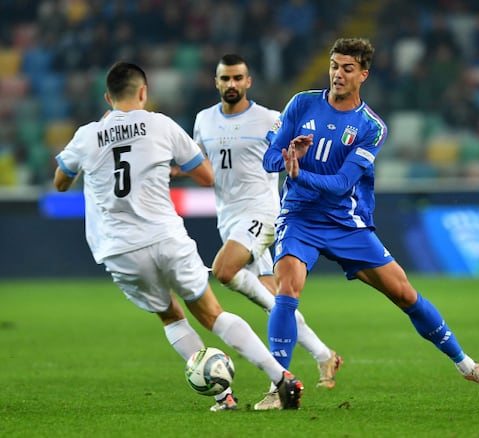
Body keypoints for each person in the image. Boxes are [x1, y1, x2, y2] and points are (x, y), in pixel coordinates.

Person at [262, 37, 479, 410]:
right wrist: (287, 156)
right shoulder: (301, 103)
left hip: (346, 223)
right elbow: (268, 160)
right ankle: (278, 388)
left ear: (363, 74)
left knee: (405, 294)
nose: (338, 74)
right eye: (334, 66)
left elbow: (341, 184)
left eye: (347, 68)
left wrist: (298, 173)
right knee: (287, 290)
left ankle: (468, 366)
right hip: (299, 217)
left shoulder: (371, 126)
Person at [53, 61, 301, 412]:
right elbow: (205, 176)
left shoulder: (87, 135)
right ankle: (281, 377)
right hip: (166, 236)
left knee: (171, 316)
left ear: (108, 98)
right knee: (212, 313)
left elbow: (60, 182)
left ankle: (224, 396)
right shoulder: (161, 125)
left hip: (120, 248)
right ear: (143, 92)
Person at [190, 54, 342, 410]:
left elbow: (294, 156)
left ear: (248, 81)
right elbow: (201, 164)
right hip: (228, 217)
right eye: (225, 78)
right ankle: (325, 355)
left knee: (224, 270)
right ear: (216, 82)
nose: (231, 84)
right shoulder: (203, 120)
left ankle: (282, 377)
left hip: (262, 212)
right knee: (276, 302)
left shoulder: (270, 118)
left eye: (237, 78)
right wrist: (172, 170)